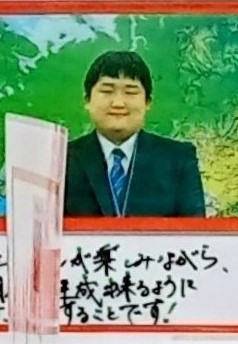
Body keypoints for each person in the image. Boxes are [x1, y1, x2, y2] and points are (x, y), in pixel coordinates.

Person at [59, 47, 209, 221]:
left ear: (147, 102)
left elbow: (194, 229)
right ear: (87, 100)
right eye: (107, 91)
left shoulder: (178, 159)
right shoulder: (61, 160)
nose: (118, 103)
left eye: (130, 92)